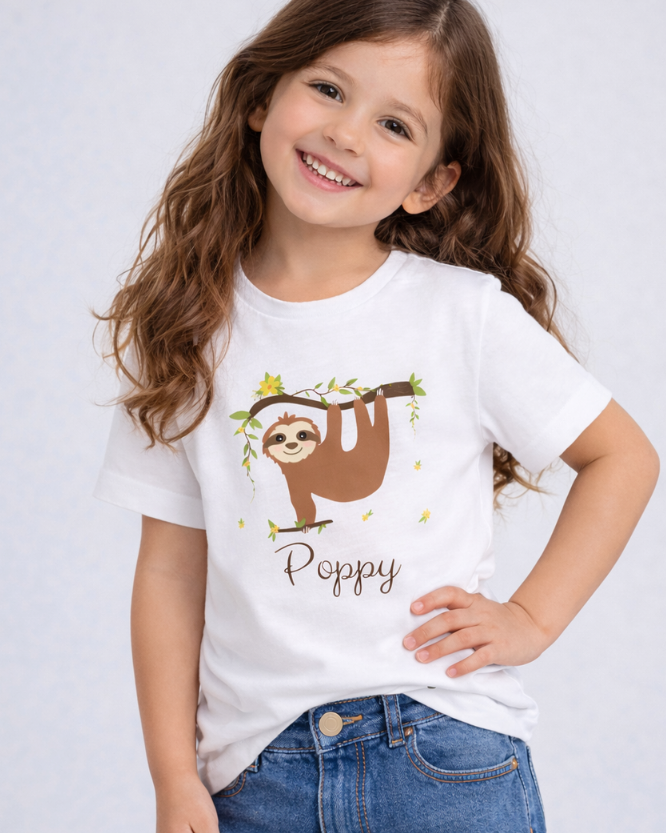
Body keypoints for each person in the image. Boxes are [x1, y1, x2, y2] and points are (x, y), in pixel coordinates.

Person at [93, 1, 659, 831]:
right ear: (261, 97)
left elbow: (624, 457)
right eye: (327, 88)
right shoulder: (185, 328)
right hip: (256, 771)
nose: (347, 134)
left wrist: (532, 618)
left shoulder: (462, 314)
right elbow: (170, 573)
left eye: (395, 124)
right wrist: (173, 774)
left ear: (432, 182)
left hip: (443, 756)